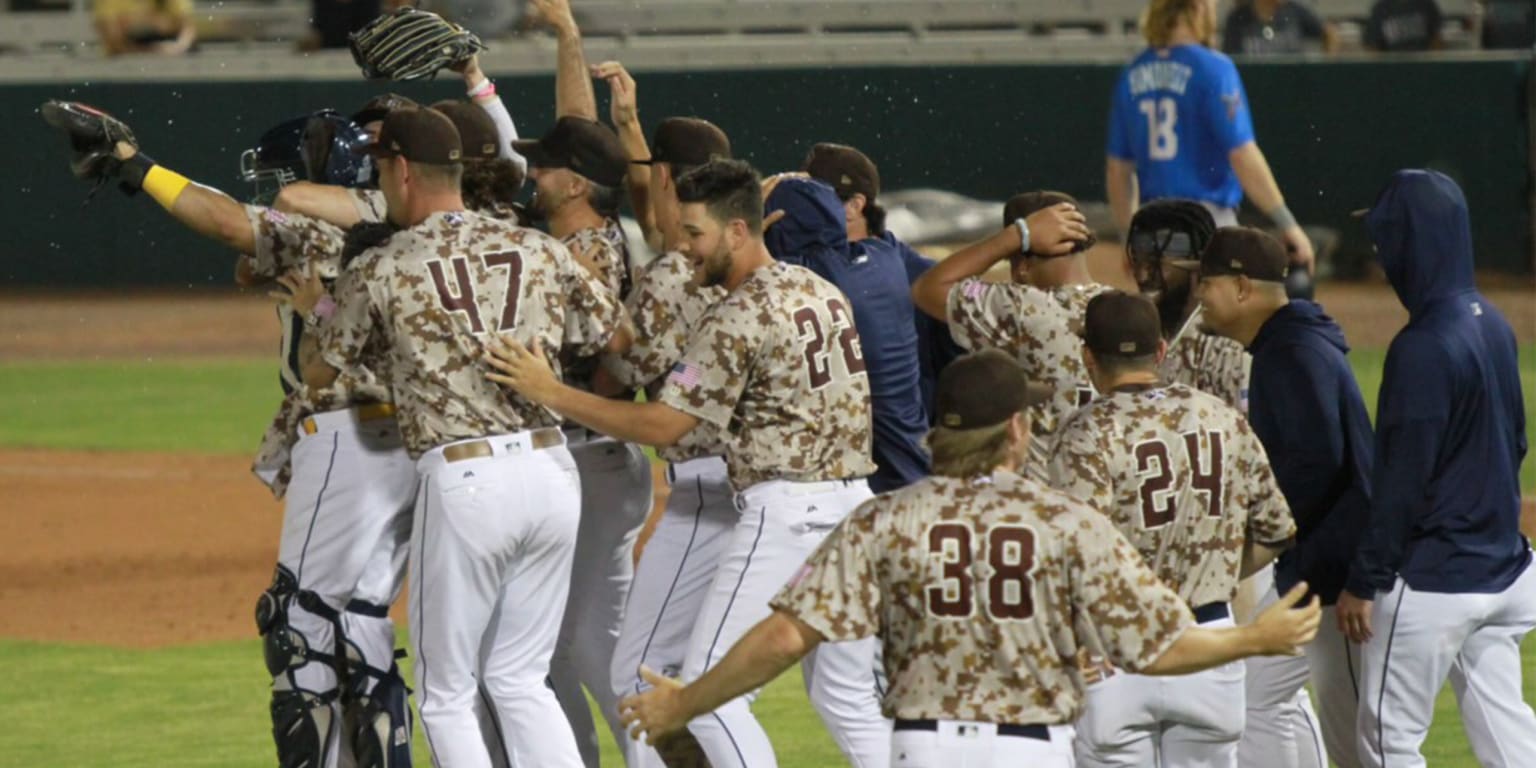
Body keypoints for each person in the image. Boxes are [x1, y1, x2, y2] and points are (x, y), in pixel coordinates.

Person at [616, 348, 1324, 768]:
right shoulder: (1065, 522)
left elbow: (781, 637)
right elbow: (1152, 648)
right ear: (1017, 430)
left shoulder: (882, 521)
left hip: (924, 751)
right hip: (1029, 751)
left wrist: (685, 702)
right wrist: (1252, 638)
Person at [41, 100, 417, 768]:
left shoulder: (318, 230)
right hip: (411, 443)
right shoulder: (421, 225)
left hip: (345, 437)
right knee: (361, 615)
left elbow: (219, 218)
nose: (279, 190)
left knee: (299, 622)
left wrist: (136, 165)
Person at [483, 159, 892, 768]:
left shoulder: (739, 314)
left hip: (788, 515)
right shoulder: (819, 290)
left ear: (737, 231)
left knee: (710, 693)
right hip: (854, 511)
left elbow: (666, 424)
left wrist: (551, 392)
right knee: (848, 695)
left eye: (696, 234)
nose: (685, 250)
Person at [287, 106, 629, 767]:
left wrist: (318, 308)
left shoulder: (386, 263)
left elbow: (318, 367)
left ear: (404, 171)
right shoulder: (537, 247)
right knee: (520, 678)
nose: (381, 180)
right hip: (555, 469)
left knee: (448, 692)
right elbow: (616, 339)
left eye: (383, 167)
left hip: (469, 479)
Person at [1049, 290, 1297, 767]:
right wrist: (1216, 575)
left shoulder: (1084, 431)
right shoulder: (1220, 417)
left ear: (1087, 357)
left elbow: (1077, 557)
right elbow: (1276, 530)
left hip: (1116, 653)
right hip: (1210, 644)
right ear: (1161, 350)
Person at [1339, 169, 1536, 768]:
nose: (1379, 253)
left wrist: (1363, 579)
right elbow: (1518, 443)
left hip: (1435, 583)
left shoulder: (1422, 345)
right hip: (1506, 574)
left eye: (1386, 238)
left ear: (1412, 243)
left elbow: (1400, 481)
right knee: (1510, 740)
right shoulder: (1493, 324)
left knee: (1385, 744)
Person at [1125, 201, 1328, 768]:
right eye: (1140, 259)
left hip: (1238, 531)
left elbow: (1258, 441)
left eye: (1158, 262)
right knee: (1242, 688)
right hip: (1199, 532)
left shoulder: (1223, 339)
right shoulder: (1178, 331)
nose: (1145, 274)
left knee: (1262, 690)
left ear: (1196, 269)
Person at [588, 60, 741, 768]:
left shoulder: (669, 276)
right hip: (765, 486)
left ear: (676, 184)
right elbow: (660, 217)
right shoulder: (742, 257)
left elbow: (618, 376)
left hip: (706, 495)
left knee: (643, 677)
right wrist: (626, 124)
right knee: (719, 679)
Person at [1196, 226, 1376, 768]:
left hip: (1337, 570)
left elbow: (1319, 457)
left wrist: (1267, 534)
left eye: (1207, 283)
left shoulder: (1292, 351)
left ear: (1242, 286)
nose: (1200, 296)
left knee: (1361, 745)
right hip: (1322, 562)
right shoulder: (1288, 342)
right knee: (1265, 696)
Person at [1105, 0, 1315, 274]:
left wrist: (1127, 238)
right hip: (1206, 225)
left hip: (1152, 226)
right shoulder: (1214, 68)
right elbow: (1242, 154)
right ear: (1198, 8)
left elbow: (1118, 170)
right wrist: (1287, 223)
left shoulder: (1132, 72)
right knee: (1219, 312)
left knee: (1163, 313)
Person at [762, 173, 931, 492]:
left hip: (851, 486)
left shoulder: (782, 280)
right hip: (912, 467)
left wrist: (747, 217)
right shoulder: (886, 257)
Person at [910, 199, 1098, 481]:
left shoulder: (1021, 307)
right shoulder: (1124, 310)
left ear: (1021, 266)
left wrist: (1014, 235)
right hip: (1111, 500)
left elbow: (928, 288)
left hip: (1038, 503)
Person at [802, 143, 963, 423]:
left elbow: (960, 373)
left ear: (854, 206)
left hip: (902, 451)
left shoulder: (927, 280)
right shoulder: (797, 270)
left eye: (812, 201)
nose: (799, 210)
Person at [1221, 0, 1338, 55]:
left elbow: (1329, 33)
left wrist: (1325, 63)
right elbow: (1231, 58)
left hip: (1294, 85)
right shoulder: (1238, 18)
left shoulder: (1294, 11)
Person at [93, 0, 196, 56]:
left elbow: (187, 27)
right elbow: (112, 39)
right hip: (122, 65)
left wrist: (177, 47)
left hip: (170, 59)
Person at [1363, 0, 1444, 51]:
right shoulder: (1381, 9)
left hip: (1423, 66)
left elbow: (1436, 40)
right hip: (1392, 67)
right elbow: (1372, 46)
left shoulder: (1426, 4)